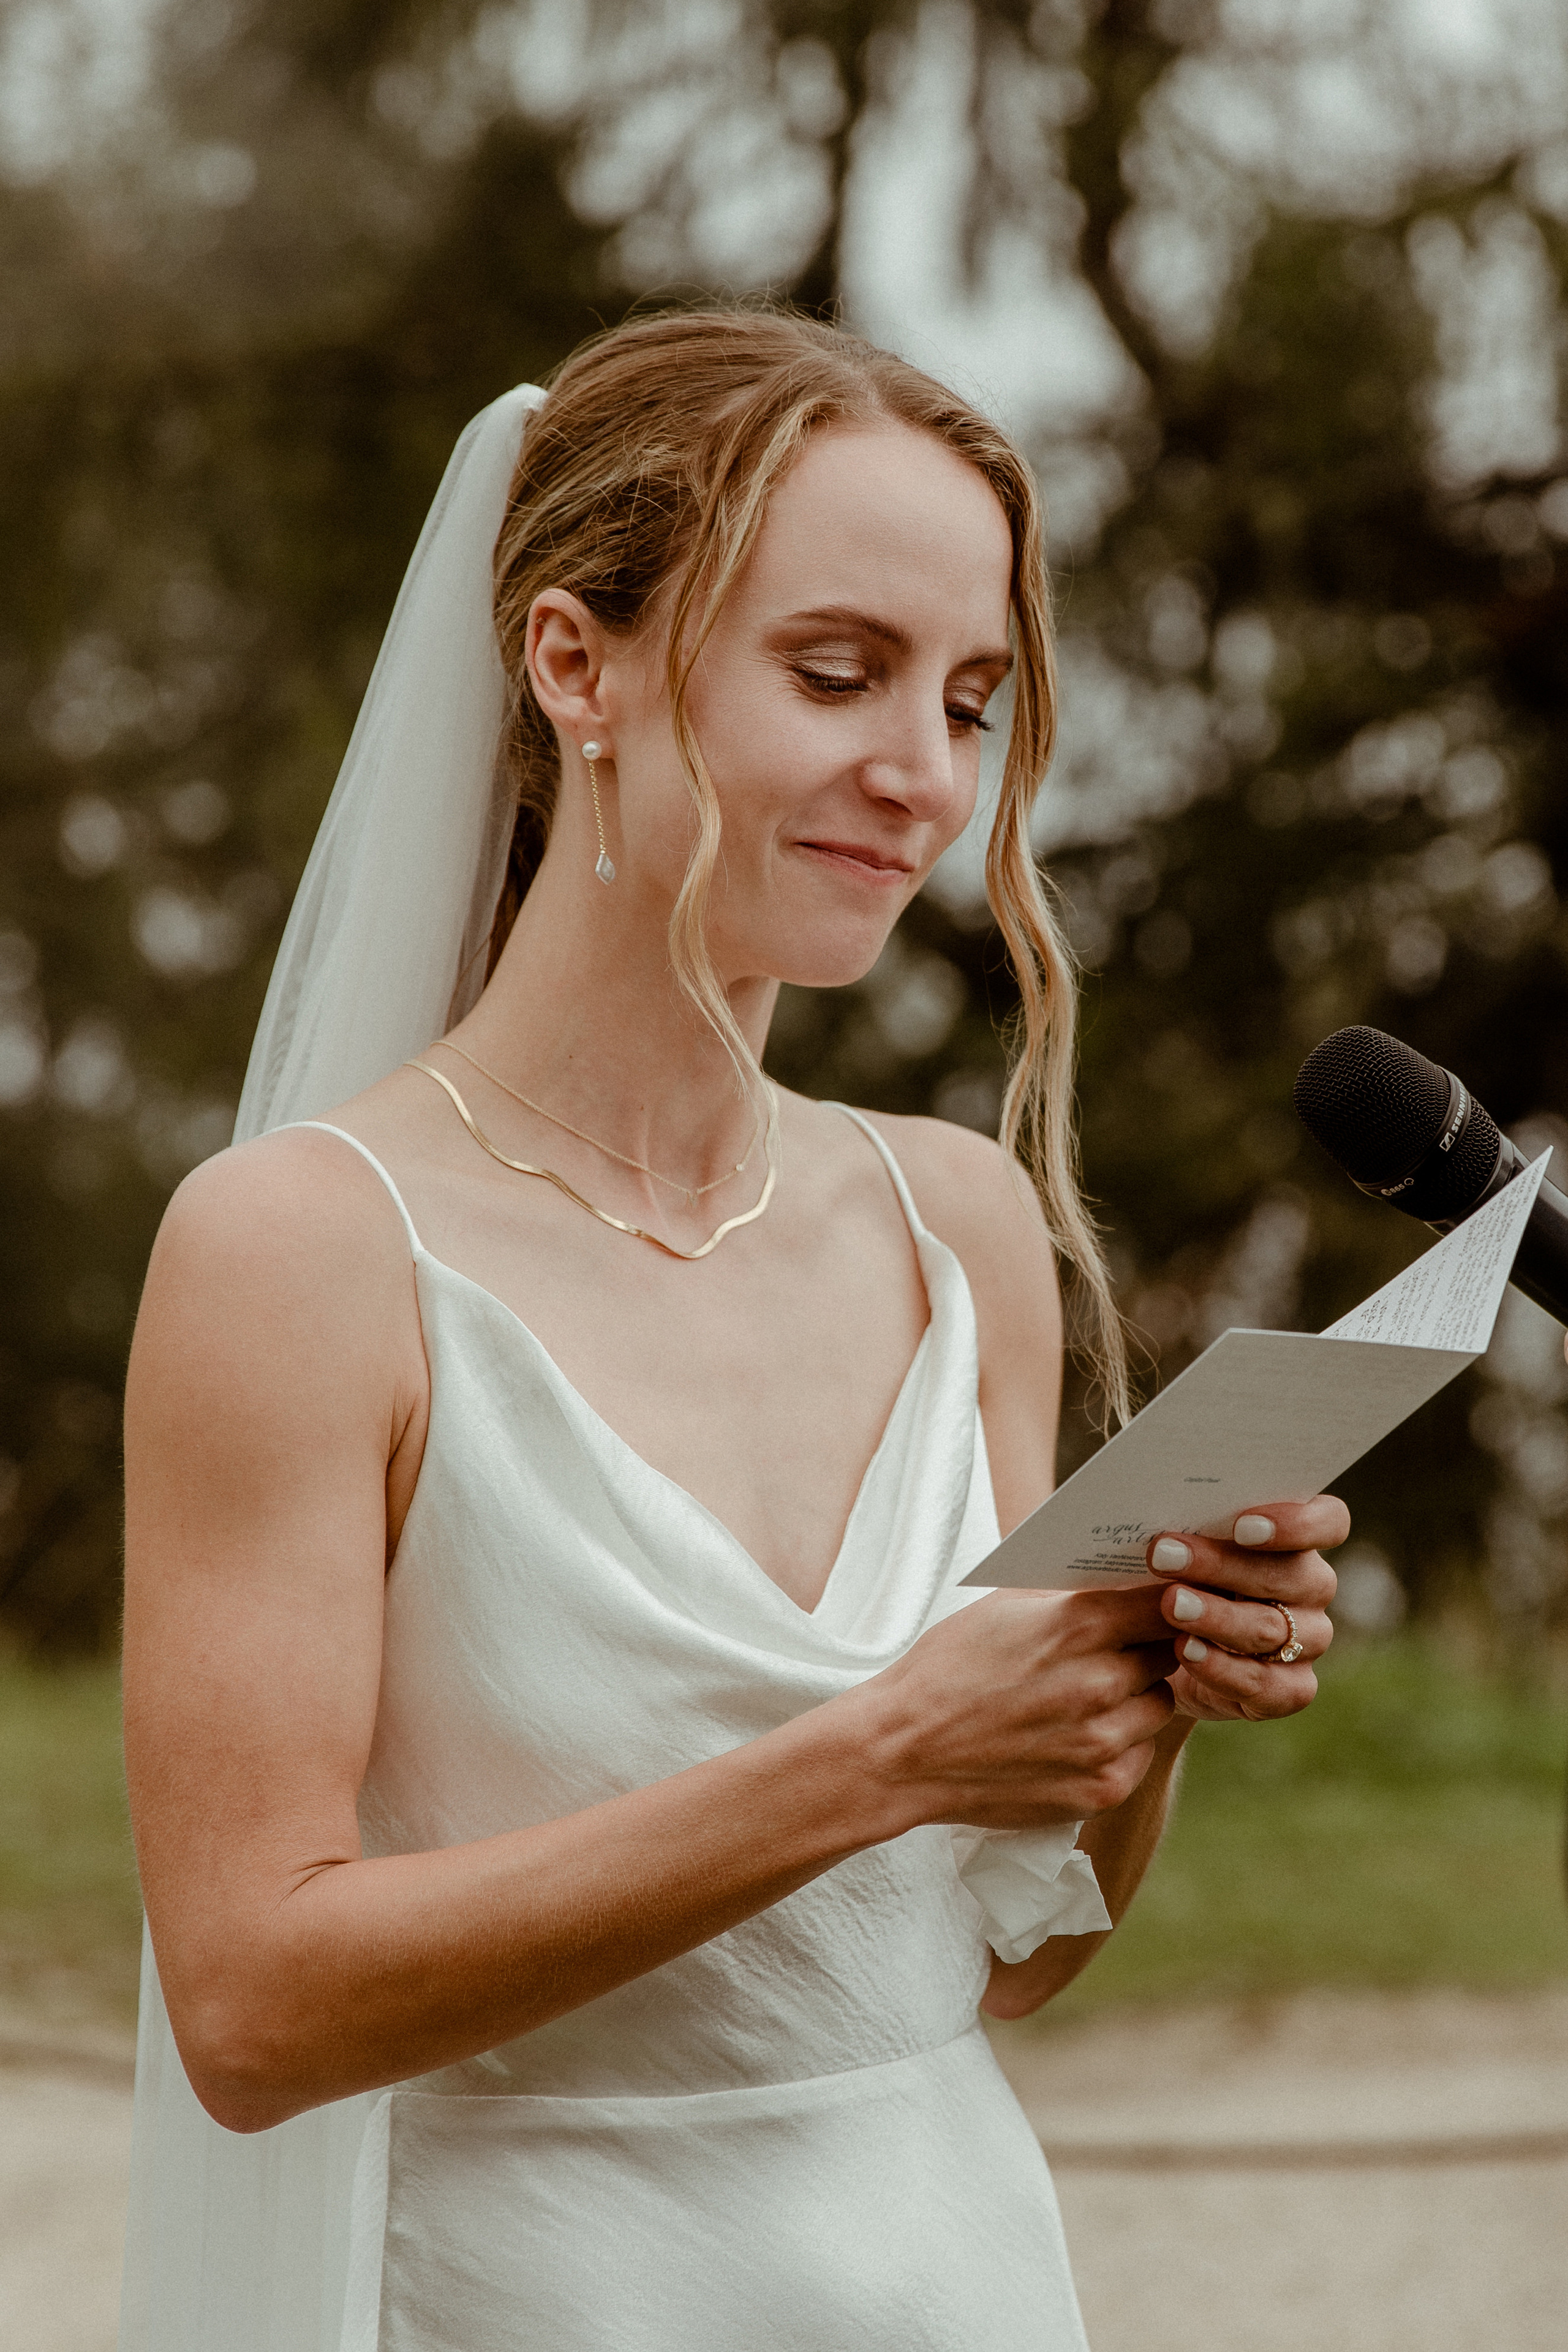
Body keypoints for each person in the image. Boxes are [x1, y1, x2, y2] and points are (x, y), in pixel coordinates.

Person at [118, 309, 1341, 2352]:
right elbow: (251, 2006)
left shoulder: (957, 1221)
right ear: (572, 663)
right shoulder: (300, 1252)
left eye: (968, 700)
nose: (924, 776)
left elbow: (999, 1958)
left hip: (962, 2275)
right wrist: (883, 1753)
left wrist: (1152, 1693)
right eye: (836, 673)